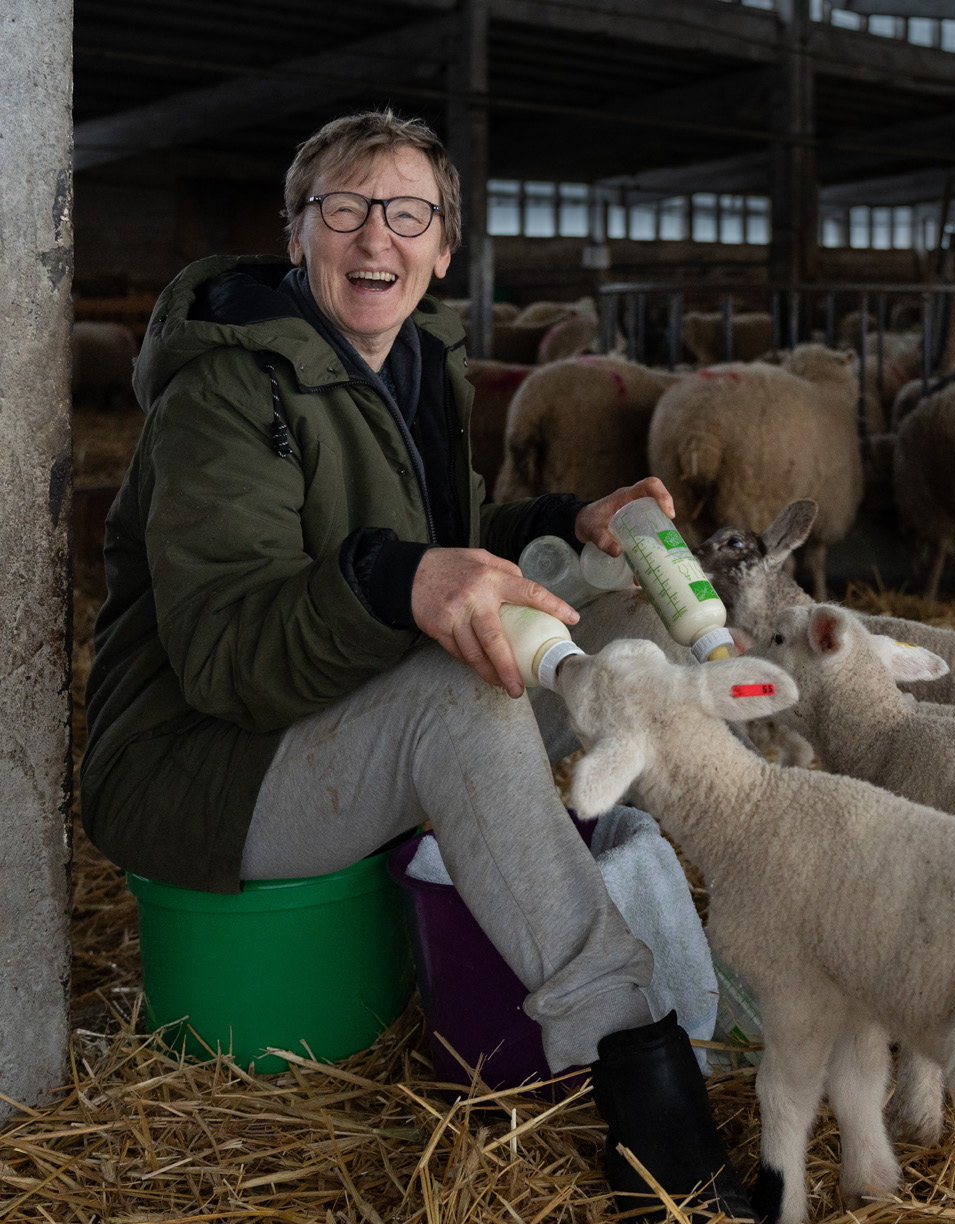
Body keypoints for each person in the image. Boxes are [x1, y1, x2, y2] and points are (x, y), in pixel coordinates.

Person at [81, 109, 757, 1222]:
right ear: (297, 234)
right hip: (200, 768)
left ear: (444, 247)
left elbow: (445, 528)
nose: (374, 239)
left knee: (630, 621)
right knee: (460, 698)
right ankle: (643, 1093)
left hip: (334, 708)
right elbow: (224, 657)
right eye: (343, 209)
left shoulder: (418, 365)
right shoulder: (225, 392)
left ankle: (732, 921)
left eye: (407, 214)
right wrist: (397, 580)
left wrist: (563, 524)